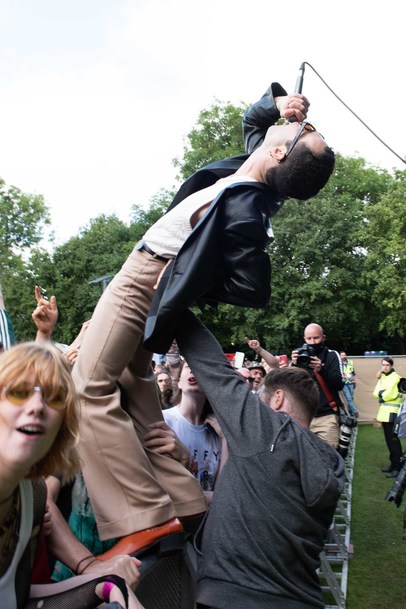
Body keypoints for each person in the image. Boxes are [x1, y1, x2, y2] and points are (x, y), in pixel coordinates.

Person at [72, 79, 335, 554]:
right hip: (150, 274)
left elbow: (252, 289)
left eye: (304, 129)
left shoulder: (249, 206)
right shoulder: (253, 167)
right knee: (136, 389)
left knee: (87, 389)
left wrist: (184, 280)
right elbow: (256, 121)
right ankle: (186, 499)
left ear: (280, 155)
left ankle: (144, 514)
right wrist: (281, 104)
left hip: (145, 277)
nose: (301, 123)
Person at [172, 310, 344, 609]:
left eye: (260, 400)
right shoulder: (331, 460)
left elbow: (210, 364)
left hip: (236, 599)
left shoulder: (267, 431)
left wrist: (176, 303)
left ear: (276, 399)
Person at [0, 341, 143, 609]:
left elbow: (18, 597)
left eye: (55, 397)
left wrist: (108, 584)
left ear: (63, 427)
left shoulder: (33, 495)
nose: (37, 406)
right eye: (19, 392)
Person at [145, 361, 224, 505]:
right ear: (179, 382)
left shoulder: (218, 432)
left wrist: (224, 439)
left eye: (200, 367)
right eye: (188, 367)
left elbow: (223, 490)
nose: (193, 370)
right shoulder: (163, 421)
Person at [291, 323, 344, 449]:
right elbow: (290, 386)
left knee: (329, 460)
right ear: (304, 339)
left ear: (323, 338)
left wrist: (321, 369)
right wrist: (294, 365)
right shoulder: (299, 356)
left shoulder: (331, 355)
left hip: (326, 417)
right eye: (309, 339)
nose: (313, 342)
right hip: (302, 416)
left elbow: (339, 384)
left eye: (316, 338)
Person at [373, 356, 403, 477]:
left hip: (393, 414)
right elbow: (375, 393)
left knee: (394, 442)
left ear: (391, 366)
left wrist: (381, 393)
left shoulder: (397, 378)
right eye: (383, 365)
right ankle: (393, 465)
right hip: (384, 413)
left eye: (387, 365)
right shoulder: (383, 377)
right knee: (389, 442)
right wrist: (381, 393)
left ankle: (398, 467)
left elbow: (390, 394)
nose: (384, 367)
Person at [340, 351, 359, 417]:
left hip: (351, 382)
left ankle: (350, 411)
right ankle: (355, 411)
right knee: (349, 398)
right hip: (344, 383)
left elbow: (353, 373)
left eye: (344, 355)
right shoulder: (339, 363)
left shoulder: (350, 362)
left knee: (351, 398)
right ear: (340, 356)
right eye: (342, 355)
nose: (343, 356)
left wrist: (355, 381)